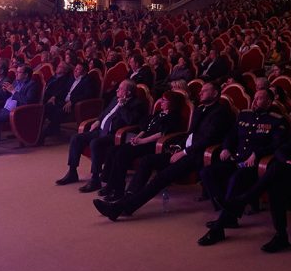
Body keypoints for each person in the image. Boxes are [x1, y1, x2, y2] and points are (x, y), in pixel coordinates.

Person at [196, 104, 291, 252]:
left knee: (276, 168)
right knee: (275, 186)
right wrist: (289, 161)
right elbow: (281, 150)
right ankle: (281, 236)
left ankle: (242, 200)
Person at [92, 81, 233, 221]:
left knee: (161, 177)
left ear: (215, 93)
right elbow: (190, 134)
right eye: (201, 90)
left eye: (205, 90)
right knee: (147, 160)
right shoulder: (199, 109)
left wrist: (183, 152)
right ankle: (127, 199)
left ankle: (122, 208)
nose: (200, 92)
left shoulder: (220, 113)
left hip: (196, 155)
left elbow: (207, 140)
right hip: (182, 150)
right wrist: (178, 146)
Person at [198, 89, 288, 226]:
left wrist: (257, 154)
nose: (254, 101)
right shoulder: (244, 115)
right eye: (254, 97)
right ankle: (227, 210)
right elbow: (231, 135)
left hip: (255, 164)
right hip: (236, 158)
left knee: (236, 178)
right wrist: (226, 148)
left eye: (259, 98)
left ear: (269, 102)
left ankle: (226, 219)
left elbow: (277, 145)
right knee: (206, 172)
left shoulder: (276, 120)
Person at [55, 79, 147, 186]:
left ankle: (95, 178)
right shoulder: (115, 99)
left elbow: (131, 121)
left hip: (115, 134)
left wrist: (123, 106)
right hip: (101, 130)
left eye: (121, 88)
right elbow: (105, 113)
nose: (117, 90)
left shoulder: (137, 104)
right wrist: (98, 121)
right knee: (76, 138)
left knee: (95, 143)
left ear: (128, 92)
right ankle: (72, 172)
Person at [97, 91, 185, 199]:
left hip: (154, 144)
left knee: (122, 153)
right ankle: (111, 185)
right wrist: (137, 137)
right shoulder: (158, 113)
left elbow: (161, 134)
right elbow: (145, 128)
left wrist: (142, 141)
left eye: (164, 100)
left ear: (172, 103)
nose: (161, 102)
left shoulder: (174, 117)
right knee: (113, 150)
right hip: (143, 140)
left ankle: (118, 190)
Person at [41, 62, 96, 141]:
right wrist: (54, 97)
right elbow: (64, 90)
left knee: (58, 112)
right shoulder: (72, 78)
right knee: (47, 107)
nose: (75, 70)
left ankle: (46, 132)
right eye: (75, 68)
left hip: (74, 105)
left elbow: (88, 95)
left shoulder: (88, 81)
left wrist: (72, 102)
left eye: (78, 69)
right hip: (63, 101)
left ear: (84, 71)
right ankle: (44, 129)